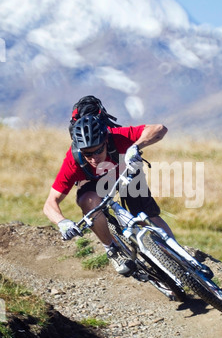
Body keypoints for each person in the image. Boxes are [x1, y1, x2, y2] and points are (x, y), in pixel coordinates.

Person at [43, 96, 174, 276]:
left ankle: (177, 255)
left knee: (147, 217)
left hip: (125, 173)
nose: (94, 158)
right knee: (88, 201)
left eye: (98, 150)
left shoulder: (116, 137)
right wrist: (62, 222)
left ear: (105, 141)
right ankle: (111, 249)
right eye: (87, 154)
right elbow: (50, 202)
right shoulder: (73, 161)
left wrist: (135, 147)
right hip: (95, 185)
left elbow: (159, 129)